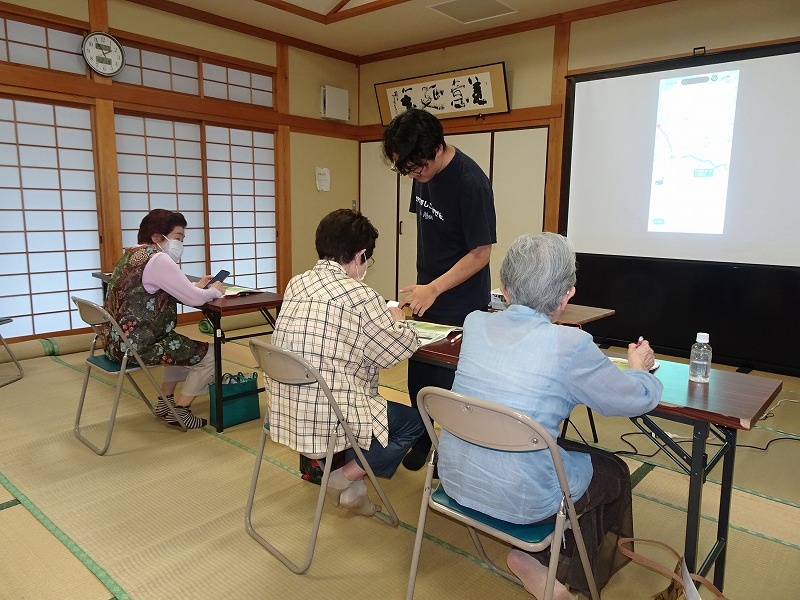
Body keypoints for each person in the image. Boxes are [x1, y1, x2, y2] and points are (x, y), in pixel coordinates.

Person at [438, 232, 663, 599]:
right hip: (523, 499)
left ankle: (538, 558)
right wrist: (639, 368)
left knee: (556, 449)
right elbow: (633, 399)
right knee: (612, 472)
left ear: (504, 290)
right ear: (567, 295)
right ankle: (564, 577)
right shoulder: (570, 344)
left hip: (456, 479)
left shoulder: (474, 324)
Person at [269, 209, 424, 516]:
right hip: (329, 415)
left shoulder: (296, 283)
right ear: (360, 255)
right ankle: (344, 477)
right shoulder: (361, 295)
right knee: (415, 423)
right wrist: (398, 320)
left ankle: (354, 491)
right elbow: (393, 351)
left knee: (359, 395)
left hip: (285, 408)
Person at [381, 107, 497, 470]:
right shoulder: (420, 170)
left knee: (451, 384)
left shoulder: (470, 183)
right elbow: (431, 232)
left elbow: (481, 253)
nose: (413, 175)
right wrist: (425, 288)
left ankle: (455, 454)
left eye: (416, 168)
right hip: (427, 292)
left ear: (436, 148)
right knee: (420, 374)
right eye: (405, 169)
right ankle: (421, 436)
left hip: (461, 299)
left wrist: (434, 288)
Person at [104, 209, 225, 429]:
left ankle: (165, 403)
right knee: (211, 355)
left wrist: (196, 286)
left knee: (176, 344)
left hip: (116, 344)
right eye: (177, 238)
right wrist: (215, 290)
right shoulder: (158, 258)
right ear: (157, 237)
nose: (180, 244)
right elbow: (194, 299)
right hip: (140, 346)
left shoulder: (131, 255)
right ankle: (181, 411)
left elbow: (159, 287)